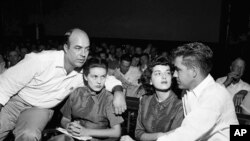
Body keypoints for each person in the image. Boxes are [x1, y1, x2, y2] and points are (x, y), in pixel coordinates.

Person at [0, 28, 126, 141]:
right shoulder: (40, 60)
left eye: (86, 49)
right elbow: (5, 85)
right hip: (16, 101)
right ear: (66, 48)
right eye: (78, 48)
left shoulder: (84, 71)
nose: (83, 54)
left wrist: (118, 91)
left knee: (29, 134)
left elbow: (106, 78)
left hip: (40, 109)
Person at [157, 42, 239, 141]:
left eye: (178, 70)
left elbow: (187, 134)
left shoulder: (214, 95)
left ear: (194, 72)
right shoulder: (187, 91)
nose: (174, 75)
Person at [48, 58, 124, 141]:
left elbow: (116, 132)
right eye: (94, 77)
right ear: (85, 77)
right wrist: (68, 126)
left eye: (103, 77)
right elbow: (65, 119)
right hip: (74, 136)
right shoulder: (76, 92)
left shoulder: (108, 98)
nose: (99, 81)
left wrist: (86, 132)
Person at [121, 57, 184, 141]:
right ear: (150, 80)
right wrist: (162, 135)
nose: (164, 77)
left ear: (171, 79)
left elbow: (174, 138)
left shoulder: (180, 105)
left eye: (168, 73)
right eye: (158, 73)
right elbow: (138, 133)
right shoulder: (144, 100)